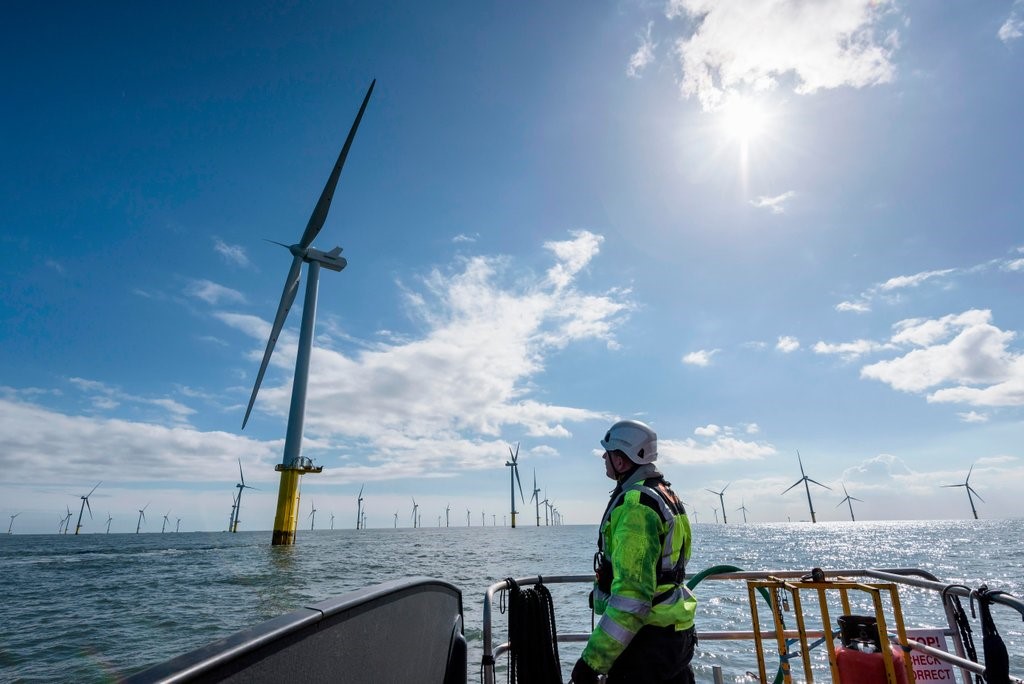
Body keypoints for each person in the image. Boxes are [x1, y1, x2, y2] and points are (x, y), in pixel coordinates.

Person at [571, 420, 698, 683]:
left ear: (621, 460)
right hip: (677, 633)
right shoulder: (666, 495)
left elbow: (632, 599)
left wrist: (591, 663)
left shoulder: (635, 507)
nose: (603, 457)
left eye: (608, 452)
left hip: (648, 643)